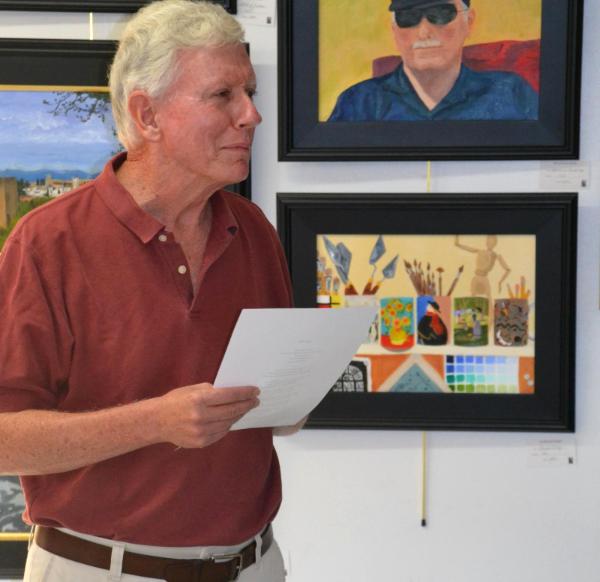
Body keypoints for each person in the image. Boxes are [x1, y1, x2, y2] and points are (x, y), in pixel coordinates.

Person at [0, 1, 300, 580]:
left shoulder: (254, 229)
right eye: (223, 96)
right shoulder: (46, 243)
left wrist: (287, 399)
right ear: (148, 114)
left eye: (251, 93)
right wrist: (155, 423)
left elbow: (272, 403)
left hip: (255, 564)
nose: (252, 116)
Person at [328, 0, 539, 121]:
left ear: (469, 22)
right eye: (408, 17)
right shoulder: (358, 102)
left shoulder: (510, 92)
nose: (423, 32)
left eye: (440, 14)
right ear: (394, 30)